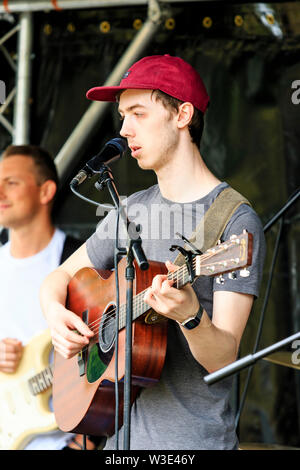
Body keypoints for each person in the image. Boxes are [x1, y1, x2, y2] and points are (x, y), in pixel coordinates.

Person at [40, 55, 266, 450]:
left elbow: (224, 358)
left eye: (138, 114)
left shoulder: (233, 221)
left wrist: (190, 316)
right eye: (122, 116)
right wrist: (56, 316)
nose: (124, 130)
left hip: (190, 445)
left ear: (182, 115)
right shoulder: (132, 209)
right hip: (119, 443)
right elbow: (57, 278)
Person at [0, 144, 96, 450]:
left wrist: (89, 439)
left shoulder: (79, 263)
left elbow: (110, 351)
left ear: (45, 192)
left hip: (60, 441)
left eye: (11, 183)